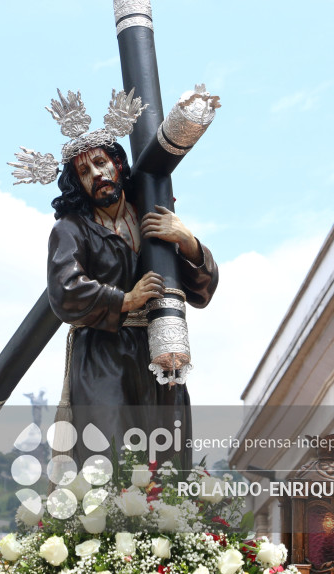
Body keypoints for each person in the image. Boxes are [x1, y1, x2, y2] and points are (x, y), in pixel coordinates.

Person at [46, 141, 218, 468]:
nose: (97, 174)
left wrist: (188, 241)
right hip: (102, 354)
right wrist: (125, 299)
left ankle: (169, 517)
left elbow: (202, 292)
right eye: (84, 171)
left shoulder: (153, 214)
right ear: (77, 184)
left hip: (159, 347)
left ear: (118, 165)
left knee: (167, 450)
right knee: (108, 451)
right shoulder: (71, 229)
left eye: (101, 163)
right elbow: (64, 289)